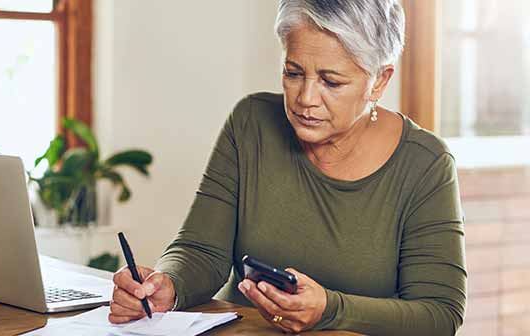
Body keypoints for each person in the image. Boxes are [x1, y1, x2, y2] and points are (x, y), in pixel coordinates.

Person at [108, 0, 467, 335]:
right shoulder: (251, 123)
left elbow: (440, 313)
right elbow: (203, 249)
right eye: (294, 73)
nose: (306, 99)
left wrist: (330, 308)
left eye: (331, 81)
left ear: (380, 81)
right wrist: (167, 286)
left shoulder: (425, 163)